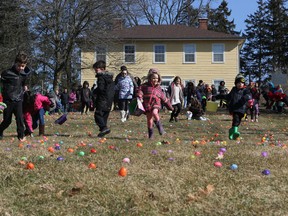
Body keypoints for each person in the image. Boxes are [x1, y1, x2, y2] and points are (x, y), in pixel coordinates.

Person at [0, 51, 31, 141]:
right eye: (18, 65)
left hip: (18, 99)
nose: (20, 68)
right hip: (8, 100)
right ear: (15, 63)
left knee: (20, 119)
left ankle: (21, 136)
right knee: (7, 121)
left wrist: (25, 89)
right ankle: (0, 130)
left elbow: (23, 83)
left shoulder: (23, 74)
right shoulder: (7, 73)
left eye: (22, 66)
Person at [136, 68, 173, 139]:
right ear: (150, 78)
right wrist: (140, 96)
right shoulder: (145, 86)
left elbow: (164, 99)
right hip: (147, 104)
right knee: (149, 120)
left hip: (156, 104)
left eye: (156, 78)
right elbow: (139, 90)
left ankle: (160, 127)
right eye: (153, 78)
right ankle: (151, 135)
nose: (155, 80)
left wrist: (170, 107)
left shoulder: (158, 88)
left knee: (154, 112)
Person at [216, 74, 252, 140]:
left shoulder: (245, 90)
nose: (240, 84)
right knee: (236, 119)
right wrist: (218, 96)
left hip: (242, 108)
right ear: (235, 83)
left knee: (238, 121)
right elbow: (228, 96)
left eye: (241, 83)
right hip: (234, 108)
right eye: (238, 83)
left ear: (243, 84)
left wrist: (245, 98)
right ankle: (235, 132)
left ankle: (231, 131)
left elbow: (249, 96)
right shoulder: (234, 90)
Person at [93, 60, 115, 137]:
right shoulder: (110, 78)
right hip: (109, 99)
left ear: (102, 69)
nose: (95, 71)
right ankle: (103, 131)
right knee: (105, 114)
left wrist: (94, 92)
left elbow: (101, 88)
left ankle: (104, 127)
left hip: (102, 98)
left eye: (96, 69)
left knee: (98, 114)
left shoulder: (101, 77)